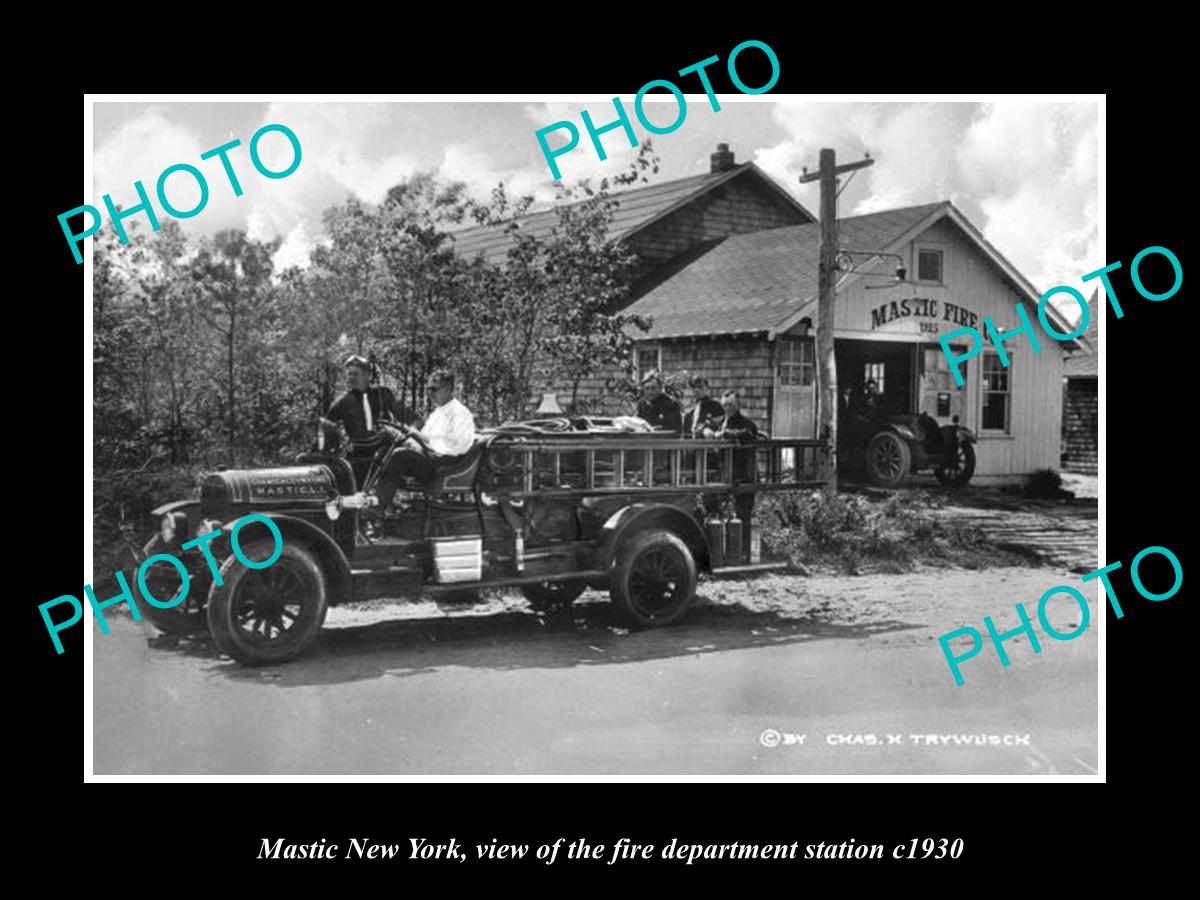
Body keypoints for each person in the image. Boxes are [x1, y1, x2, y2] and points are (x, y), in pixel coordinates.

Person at [373, 369, 477, 511]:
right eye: (428, 389)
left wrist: (418, 439)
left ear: (448, 389)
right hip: (432, 458)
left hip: (444, 464)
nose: (430, 394)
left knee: (399, 455)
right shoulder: (438, 412)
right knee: (384, 451)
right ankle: (380, 500)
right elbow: (426, 436)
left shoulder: (459, 413)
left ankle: (379, 508)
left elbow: (457, 446)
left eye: (434, 389)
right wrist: (408, 438)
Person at [321, 355, 419, 485]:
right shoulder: (342, 402)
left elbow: (413, 419)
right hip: (357, 455)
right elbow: (327, 429)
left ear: (368, 375)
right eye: (349, 374)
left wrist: (412, 437)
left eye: (355, 374)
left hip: (384, 453)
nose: (351, 378)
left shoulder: (383, 394)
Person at [703, 391, 759, 557]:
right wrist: (706, 431)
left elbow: (748, 434)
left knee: (743, 516)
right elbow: (705, 427)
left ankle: (744, 554)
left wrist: (725, 434)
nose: (728, 408)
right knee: (712, 509)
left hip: (744, 476)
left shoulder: (745, 423)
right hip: (723, 476)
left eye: (731, 405)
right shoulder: (719, 421)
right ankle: (719, 552)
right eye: (725, 405)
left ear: (738, 405)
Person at [636, 370, 683, 434]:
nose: (650, 392)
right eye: (647, 388)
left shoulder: (670, 404)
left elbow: (675, 429)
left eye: (653, 388)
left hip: (665, 440)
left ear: (660, 389)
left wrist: (655, 429)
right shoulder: (642, 405)